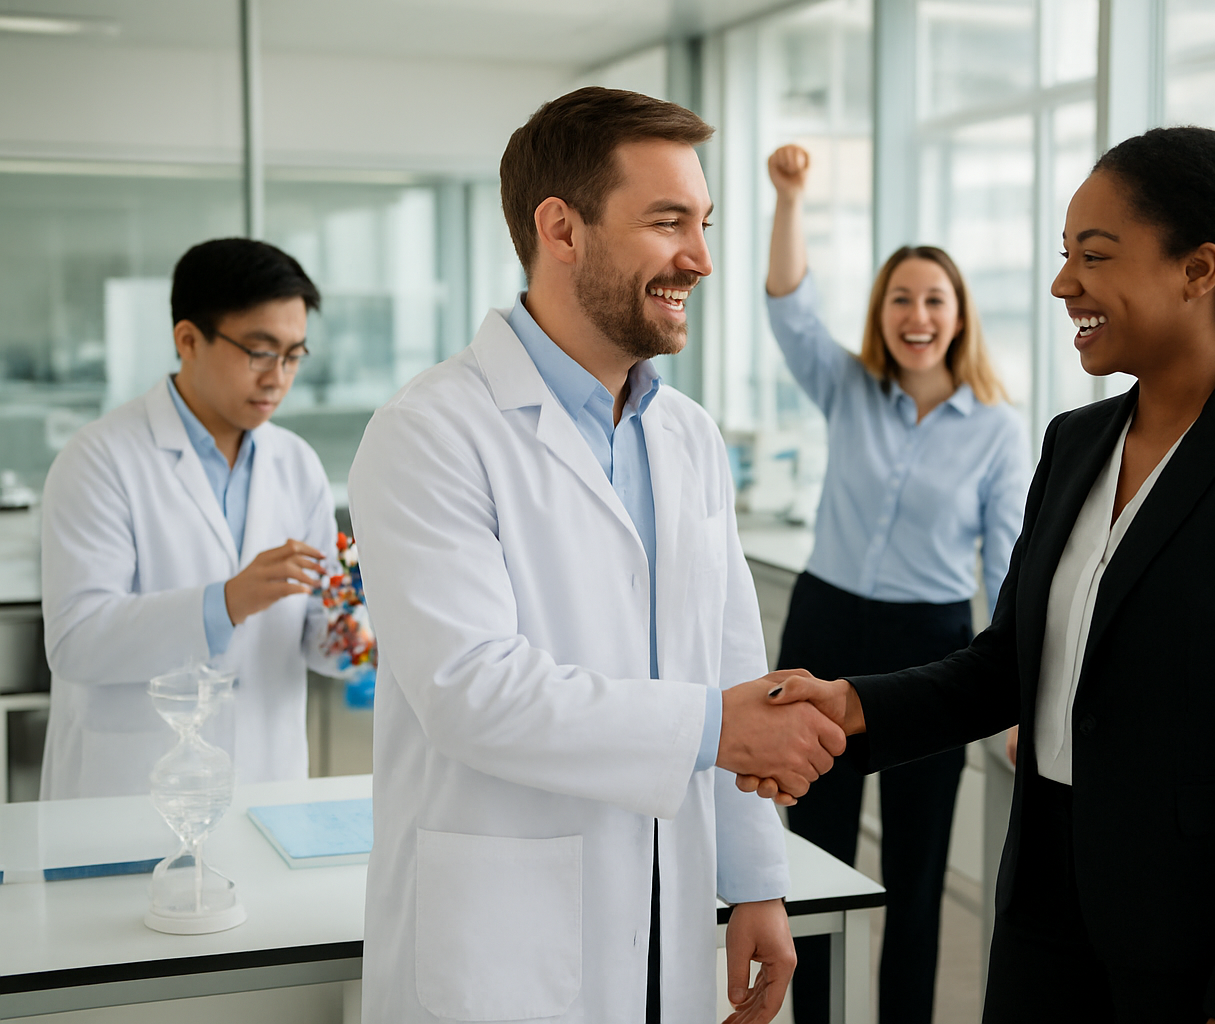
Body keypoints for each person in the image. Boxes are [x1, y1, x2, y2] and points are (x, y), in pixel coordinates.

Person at [748, 127, 1215, 1023]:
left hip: (1207, 948)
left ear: (1199, 269)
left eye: (1094, 255)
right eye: (1062, 256)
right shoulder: (1077, 443)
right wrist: (852, 705)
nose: (1062, 284)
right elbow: (1010, 664)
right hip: (1050, 912)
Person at [348, 88, 845, 1024]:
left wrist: (756, 881)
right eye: (667, 222)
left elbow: (731, 666)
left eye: (702, 223)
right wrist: (710, 729)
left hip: (668, 910)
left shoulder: (688, 436)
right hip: (506, 939)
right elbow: (471, 690)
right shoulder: (430, 432)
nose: (700, 258)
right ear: (561, 229)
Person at [762, 143, 1028, 1024]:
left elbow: (1013, 563)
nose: (918, 315)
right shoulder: (848, 387)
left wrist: (1021, 695)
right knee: (816, 858)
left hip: (931, 651)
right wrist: (790, 198)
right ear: (884, 313)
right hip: (826, 626)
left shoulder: (996, 428)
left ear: (960, 317)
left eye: (935, 300)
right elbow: (792, 312)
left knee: (914, 871)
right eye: (902, 299)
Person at [40, 238, 349, 800]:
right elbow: (76, 641)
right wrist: (225, 602)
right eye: (260, 351)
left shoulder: (296, 463)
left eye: (294, 355)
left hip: (265, 785)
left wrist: (352, 637)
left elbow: (315, 628)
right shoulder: (99, 459)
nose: (278, 376)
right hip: (131, 792)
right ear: (189, 339)